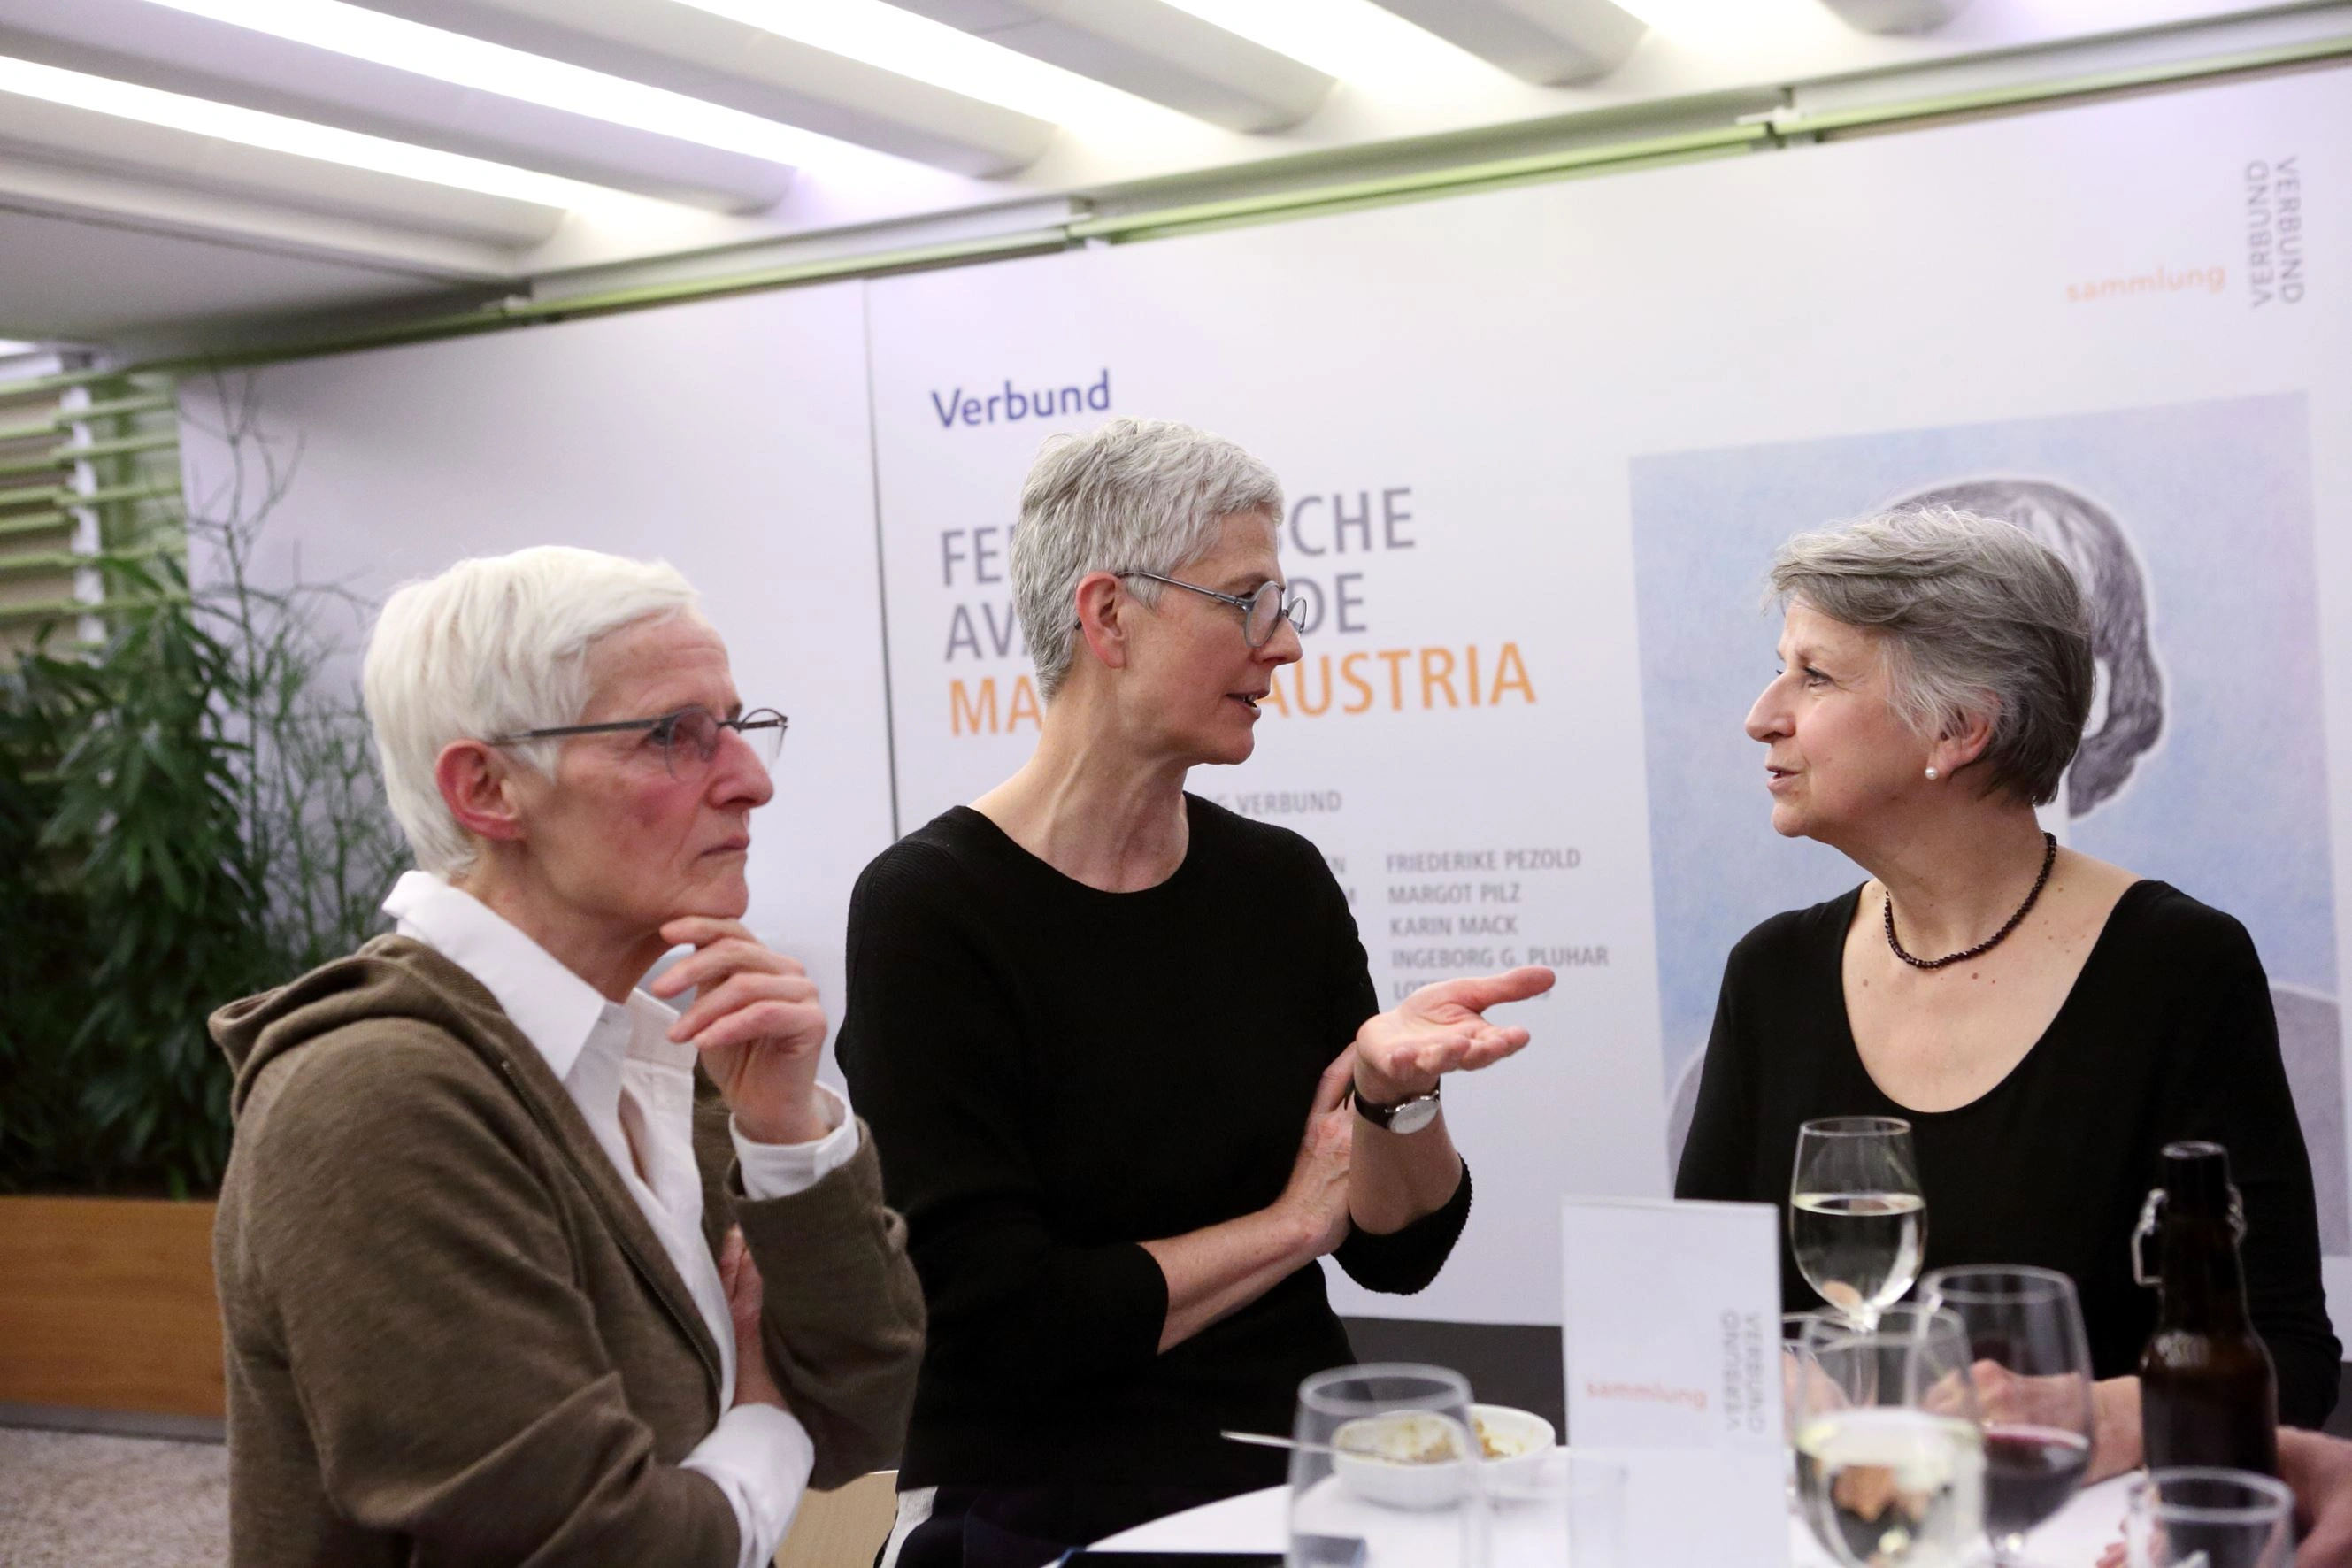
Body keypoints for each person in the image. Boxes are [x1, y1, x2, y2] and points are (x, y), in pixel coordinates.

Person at [836, 419, 1554, 1567]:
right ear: (1108, 613)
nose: (1284, 648)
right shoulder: (930, 909)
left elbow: (1396, 1250)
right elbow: (1002, 1321)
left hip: (1300, 1480)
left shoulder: (1277, 883)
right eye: (1246, 602)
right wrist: (1287, 1226)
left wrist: (1392, 1102)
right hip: (1040, 1503)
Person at [209, 546, 925, 1567]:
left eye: (738, 726)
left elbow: (868, 1407)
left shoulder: (660, 1054)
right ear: (490, 786)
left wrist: (785, 1135)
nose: (752, 781)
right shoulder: (378, 1098)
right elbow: (595, 1545)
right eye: (673, 735)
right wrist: (767, 1421)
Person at [1674, 505, 2338, 1476]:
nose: (1762, 712)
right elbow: (1695, 1311)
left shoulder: (2178, 967)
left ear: (1959, 726)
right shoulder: (1771, 974)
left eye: (1814, 674)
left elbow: (2288, 1353)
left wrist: (2091, 1413)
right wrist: (1760, 1377)